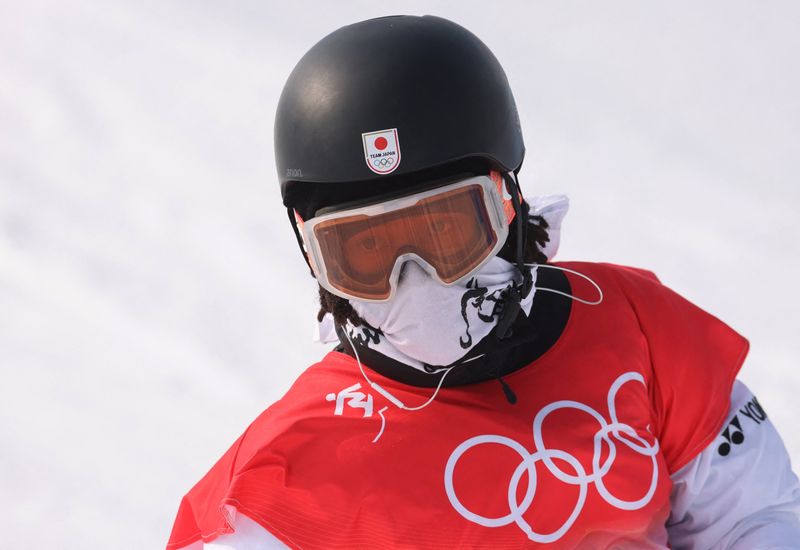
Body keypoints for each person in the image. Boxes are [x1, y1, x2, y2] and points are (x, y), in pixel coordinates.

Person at [167, 15, 800, 549]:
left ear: (508, 204)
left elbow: (756, 518)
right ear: (315, 258)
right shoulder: (288, 471)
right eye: (366, 252)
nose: (414, 281)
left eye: (445, 232)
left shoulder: (636, 329)